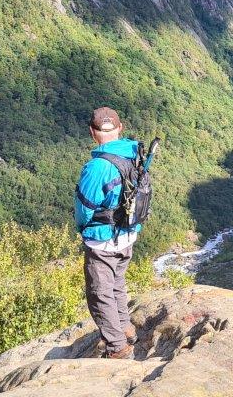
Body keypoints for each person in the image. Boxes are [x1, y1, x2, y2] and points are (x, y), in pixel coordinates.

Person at [75, 107, 141, 359]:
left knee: (99, 293)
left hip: (103, 240)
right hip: (128, 234)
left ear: (92, 133)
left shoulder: (97, 167)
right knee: (117, 284)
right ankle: (125, 328)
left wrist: (82, 229)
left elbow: (85, 208)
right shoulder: (133, 154)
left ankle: (117, 348)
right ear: (120, 128)